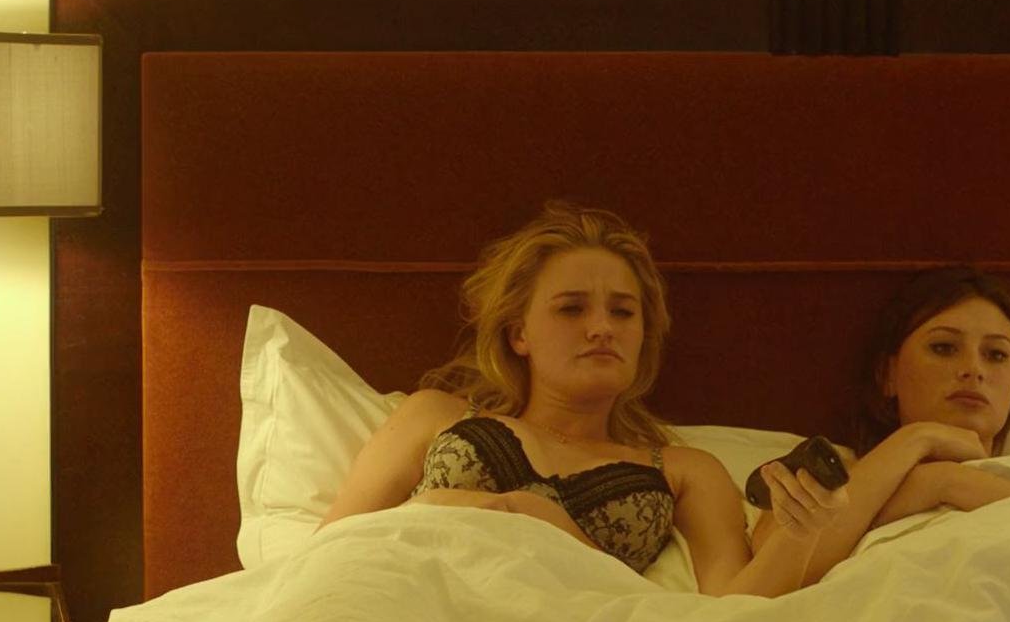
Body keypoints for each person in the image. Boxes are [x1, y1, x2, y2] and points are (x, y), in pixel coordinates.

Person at [321, 201, 847, 597]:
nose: (601, 328)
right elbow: (330, 551)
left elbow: (733, 609)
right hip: (412, 609)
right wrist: (473, 506)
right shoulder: (435, 414)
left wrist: (800, 533)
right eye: (571, 309)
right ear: (519, 334)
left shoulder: (685, 471)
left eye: (623, 312)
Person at [752, 266, 1010, 584]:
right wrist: (916, 440)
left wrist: (953, 484)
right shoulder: (824, 476)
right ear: (887, 375)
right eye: (944, 348)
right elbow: (768, 579)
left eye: (996, 355)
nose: (973, 369)